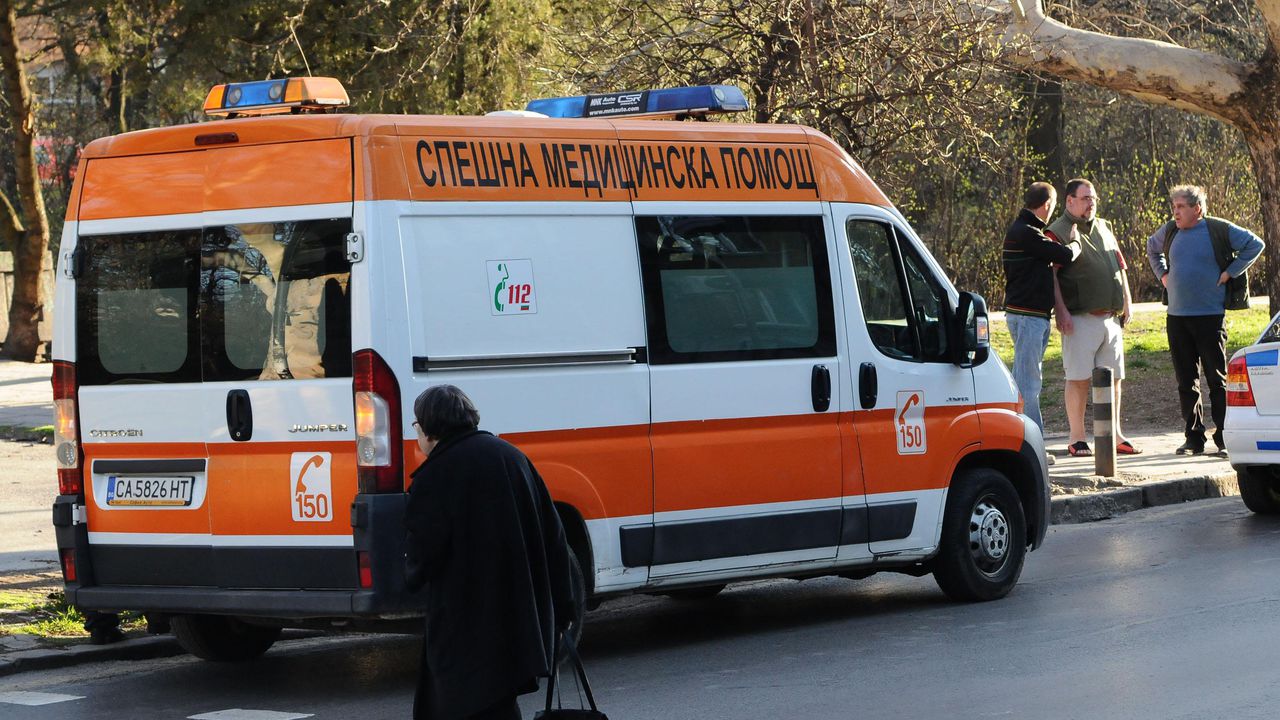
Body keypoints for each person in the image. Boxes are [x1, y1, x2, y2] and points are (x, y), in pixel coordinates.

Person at [404, 384, 583, 720]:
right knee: (499, 702)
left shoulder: (435, 476)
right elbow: (553, 536)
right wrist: (564, 604)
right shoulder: (513, 458)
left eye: (416, 425)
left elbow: (423, 556)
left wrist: (407, 571)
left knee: (458, 705)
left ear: (429, 427)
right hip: (517, 617)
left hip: (463, 624)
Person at [1145, 185, 1264, 455]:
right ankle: (1194, 439)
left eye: (1181, 207)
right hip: (1177, 318)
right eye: (1173, 207)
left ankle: (1224, 439)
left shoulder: (1217, 229)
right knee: (1186, 381)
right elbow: (1152, 249)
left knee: (1217, 380)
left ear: (1197, 208)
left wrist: (1230, 272)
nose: (1175, 212)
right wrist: (1163, 275)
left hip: (1210, 317)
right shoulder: (1170, 230)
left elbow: (1255, 244)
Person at [1047, 178, 1141, 457]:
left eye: (1094, 198)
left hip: (1110, 318)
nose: (1092, 203)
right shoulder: (1056, 232)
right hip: (1079, 318)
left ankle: (1114, 435)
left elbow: (1119, 266)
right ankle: (1077, 437)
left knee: (1114, 378)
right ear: (1070, 201)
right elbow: (1051, 276)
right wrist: (1060, 310)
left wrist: (1127, 300)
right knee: (1078, 378)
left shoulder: (1104, 226)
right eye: (1086, 198)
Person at [1002, 182, 1081, 446]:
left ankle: (1026, 442)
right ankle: (1030, 446)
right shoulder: (1026, 232)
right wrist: (1076, 241)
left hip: (1031, 316)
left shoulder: (1026, 230)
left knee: (1027, 381)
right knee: (1028, 384)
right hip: (1027, 317)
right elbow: (1065, 254)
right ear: (1047, 205)